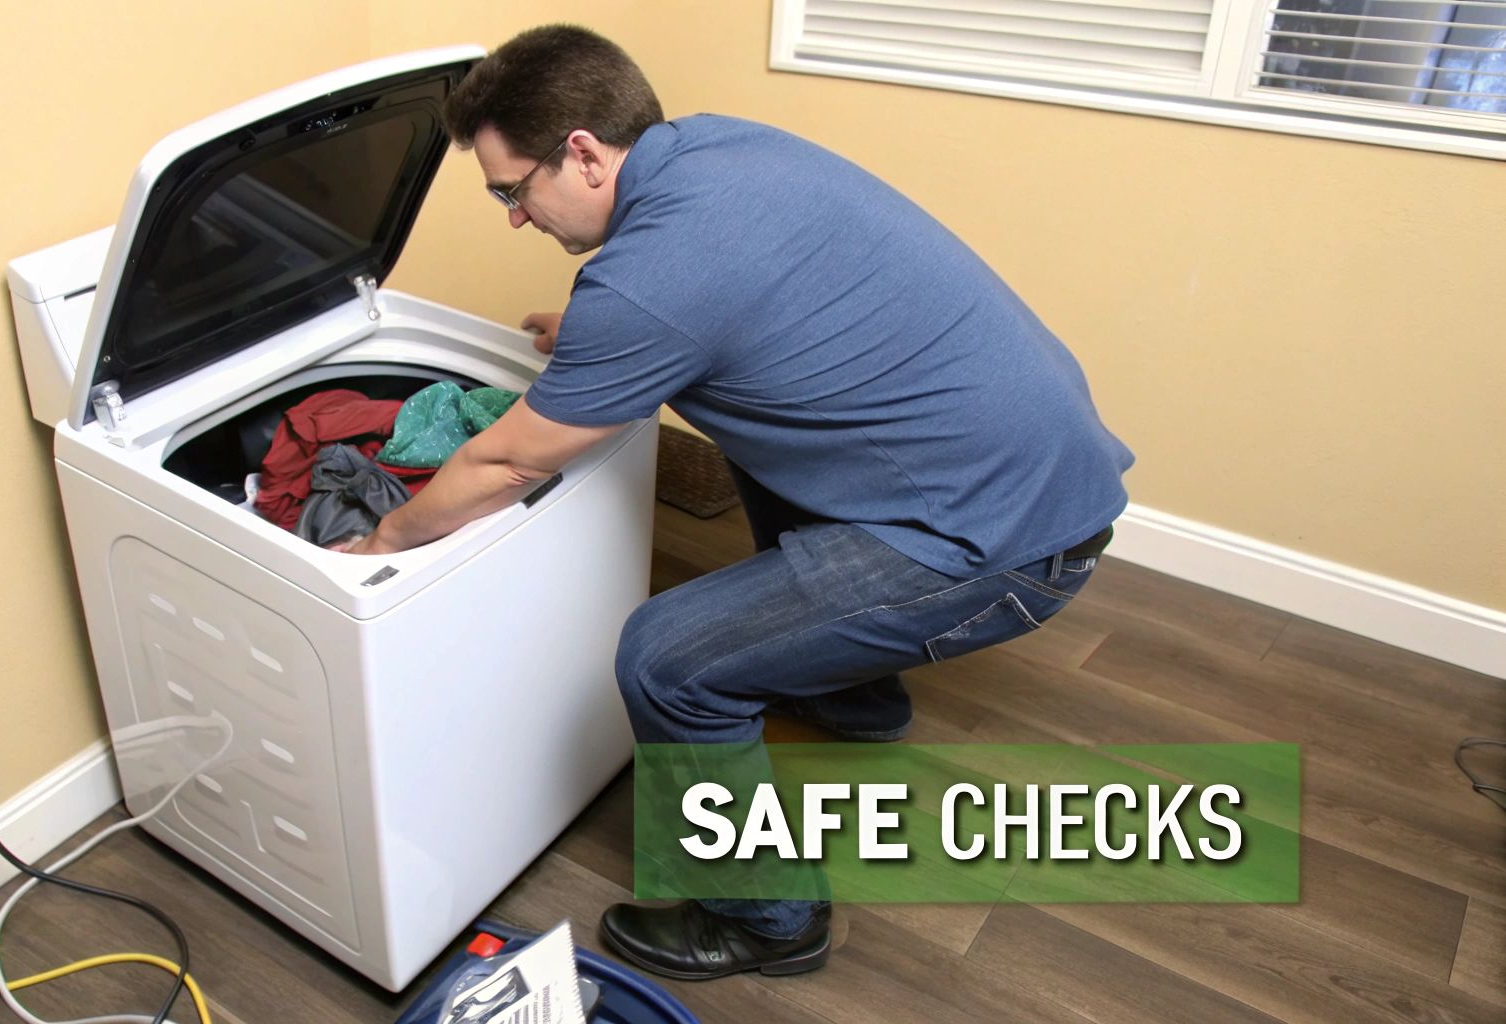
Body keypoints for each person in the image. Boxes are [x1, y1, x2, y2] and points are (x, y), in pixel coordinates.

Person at [338, 25, 1134, 980]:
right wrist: (600, 341)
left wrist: (382, 537)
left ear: (583, 152)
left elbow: (503, 464)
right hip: (1034, 463)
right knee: (758, 427)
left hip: (1005, 548)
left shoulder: (652, 283)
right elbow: (738, 307)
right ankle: (856, 695)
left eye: (514, 191)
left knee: (669, 662)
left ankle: (769, 920)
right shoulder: (719, 149)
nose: (516, 216)